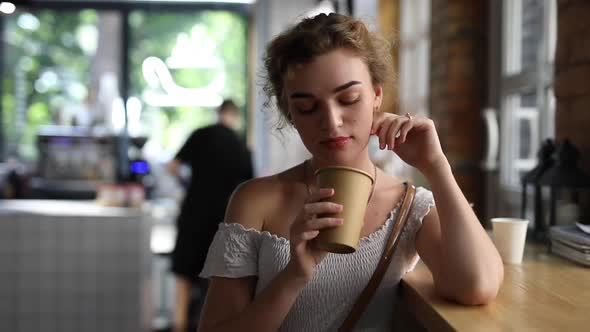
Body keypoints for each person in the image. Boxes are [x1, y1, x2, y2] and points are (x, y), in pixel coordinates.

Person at [198, 13, 504, 332]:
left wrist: (436, 166)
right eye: (307, 107)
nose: (331, 122)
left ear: (376, 95)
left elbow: (477, 285)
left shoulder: (408, 207)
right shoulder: (256, 200)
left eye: (348, 99)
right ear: (290, 113)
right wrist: (295, 275)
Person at [168, 99, 253, 332]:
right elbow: (249, 187)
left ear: (219, 113)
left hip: (193, 212)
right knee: (216, 280)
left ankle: (179, 326)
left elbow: (172, 166)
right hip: (223, 217)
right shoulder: (240, 144)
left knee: (184, 276)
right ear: (234, 116)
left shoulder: (200, 134)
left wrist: (187, 183)